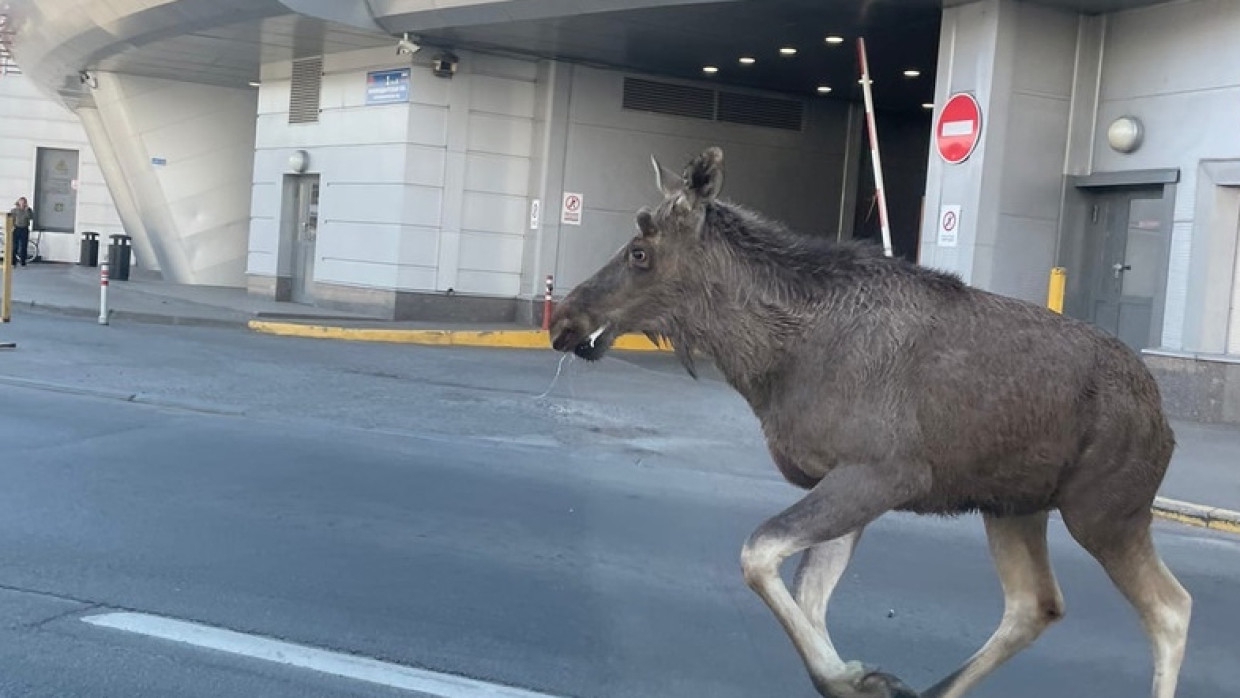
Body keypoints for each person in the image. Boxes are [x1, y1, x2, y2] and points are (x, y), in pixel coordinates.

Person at [9, 196, 32, 266]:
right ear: (18, 202)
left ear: (25, 203)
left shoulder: (28, 210)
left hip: (24, 229)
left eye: (24, 202)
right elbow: (11, 218)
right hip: (16, 228)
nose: (22, 203)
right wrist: (11, 227)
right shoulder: (14, 210)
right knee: (14, 246)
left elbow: (30, 217)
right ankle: (13, 262)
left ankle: (23, 262)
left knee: (24, 246)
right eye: (21, 202)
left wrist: (26, 210)